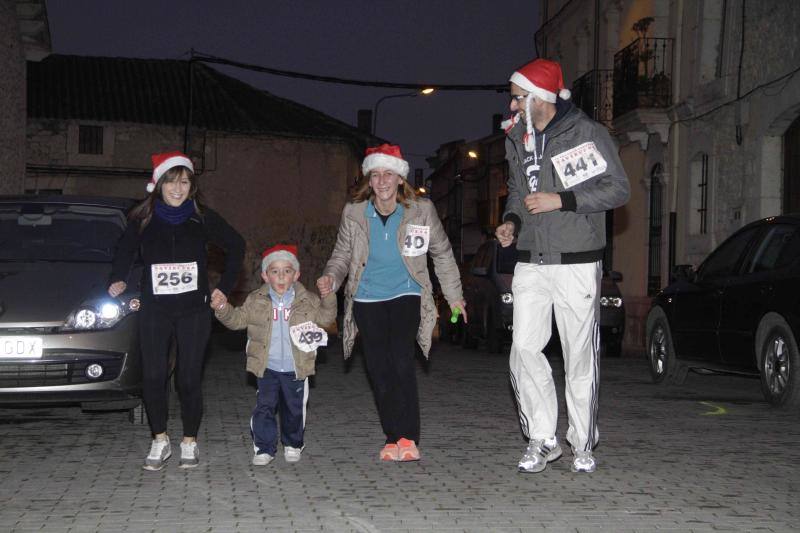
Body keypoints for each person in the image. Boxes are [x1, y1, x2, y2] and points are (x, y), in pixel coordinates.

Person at [495, 59, 630, 474]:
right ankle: (543, 437)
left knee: (578, 357)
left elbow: (617, 189)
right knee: (523, 348)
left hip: (577, 262)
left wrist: (563, 199)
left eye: (519, 98)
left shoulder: (585, 133)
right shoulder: (516, 138)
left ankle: (582, 443)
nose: (513, 105)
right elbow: (518, 192)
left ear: (539, 98)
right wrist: (511, 223)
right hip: (531, 260)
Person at [317, 144, 466, 462]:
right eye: (376, 175)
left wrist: (454, 297)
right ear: (369, 180)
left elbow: (441, 253)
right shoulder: (354, 212)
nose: (382, 180)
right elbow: (342, 255)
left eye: (389, 174)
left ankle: (408, 437)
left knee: (400, 361)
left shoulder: (420, 210)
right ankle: (391, 437)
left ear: (400, 179)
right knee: (378, 369)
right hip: (366, 297)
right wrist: (332, 277)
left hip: (406, 293)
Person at [108, 150, 245, 471]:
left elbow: (237, 245)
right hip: (155, 309)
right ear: (159, 185)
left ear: (191, 185)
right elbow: (124, 252)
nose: (178, 189)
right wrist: (116, 279)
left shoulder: (201, 217)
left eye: (184, 182)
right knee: (154, 376)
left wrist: (223, 287)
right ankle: (159, 439)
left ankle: (189, 441)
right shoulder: (142, 218)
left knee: (187, 378)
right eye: (171, 182)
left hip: (193, 310)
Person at [215, 244, 336, 466]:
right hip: (267, 366)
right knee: (265, 407)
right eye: (275, 271)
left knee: (294, 408)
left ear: (296, 275)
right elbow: (238, 320)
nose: (281, 276)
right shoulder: (255, 299)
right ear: (265, 275)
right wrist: (223, 308)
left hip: (296, 366)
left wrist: (328, 297)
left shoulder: (307, 299)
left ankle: (293, 443)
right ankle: (264, 447)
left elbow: (326, 318)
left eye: (287, 271)